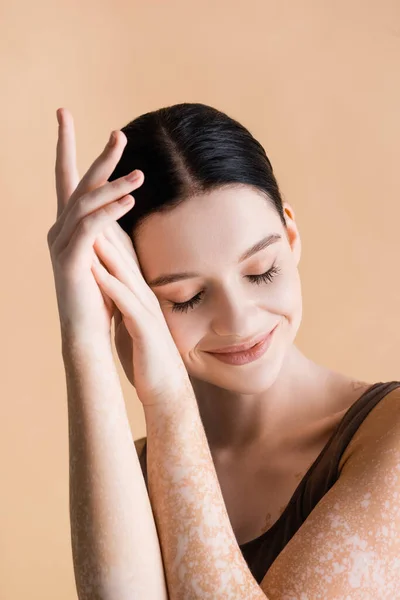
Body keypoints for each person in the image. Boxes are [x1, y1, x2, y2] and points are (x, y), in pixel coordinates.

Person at [50, 103, 400, 599]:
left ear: (291, 235)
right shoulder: (130, 473)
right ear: (129, 302)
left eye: (262, 271)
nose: (240, 320)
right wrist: (83, 332)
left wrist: (171, 401)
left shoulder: (387, 436)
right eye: (186, 297)